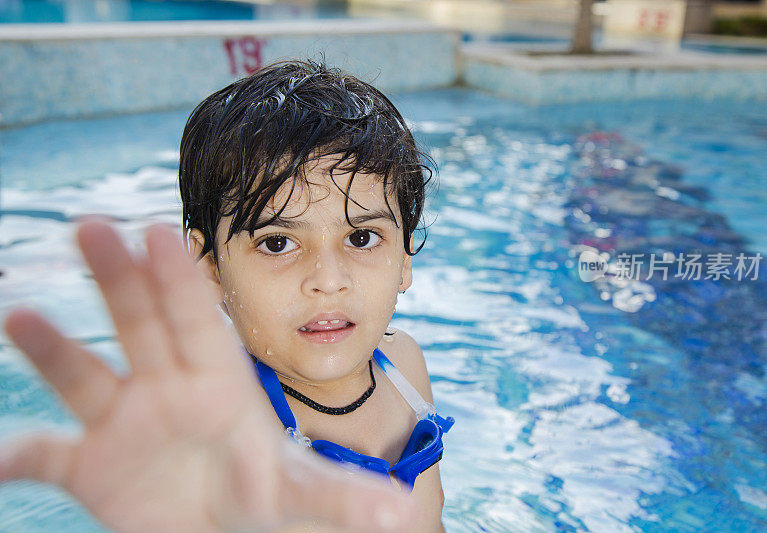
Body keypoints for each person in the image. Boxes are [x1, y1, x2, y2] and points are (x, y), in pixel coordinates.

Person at [1, 59, 451, 532]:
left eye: (361, 238)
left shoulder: (405, 364)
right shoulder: (230, 428)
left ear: (404, 258)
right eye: (277, 243)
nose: (328, 279)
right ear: (209, 268)